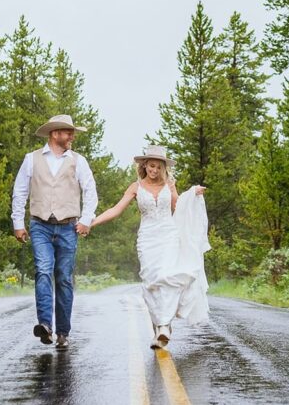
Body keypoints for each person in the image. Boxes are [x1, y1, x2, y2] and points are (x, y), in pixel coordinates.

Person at [89, 145, 210, 349]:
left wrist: (192, 194)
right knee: (151, 282)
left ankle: (164, 325)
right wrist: (91, 222)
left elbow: (178, 207)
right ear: (144, 165)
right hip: (147, 238)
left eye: (158, 167)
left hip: (168, 235)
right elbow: (116, 210)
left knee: (166, 276)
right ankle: (159, 328)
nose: (154, 170)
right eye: (151, 166)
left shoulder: (169, 184)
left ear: (164, 167)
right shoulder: (135, 187)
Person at [11, 114, 98, 351]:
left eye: (72, 132)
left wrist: (86, 220)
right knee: (43, 270)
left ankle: (63, 332)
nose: (72, 136)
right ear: (54, 134)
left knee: (63, 278)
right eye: (67, 132)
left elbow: (90, 191)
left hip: (68, 226)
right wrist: (18, 223)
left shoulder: (78, 161)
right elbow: (20, 192)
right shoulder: (31, 159)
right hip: (40, 224)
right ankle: (45, 325)